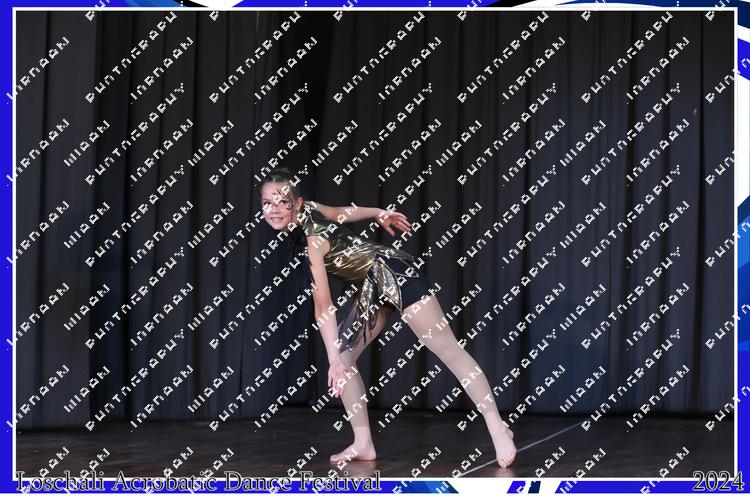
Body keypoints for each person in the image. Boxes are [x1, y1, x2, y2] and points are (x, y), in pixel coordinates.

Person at [258, 167, 516, 468]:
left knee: (447, 349)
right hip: (368, 289)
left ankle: (497, 427)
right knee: (345, 359)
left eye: (282, 202)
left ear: (297, 203)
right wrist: (377, 212)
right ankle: (363, 442)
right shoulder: (307, 215)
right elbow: (340, 213)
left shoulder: (311, 241)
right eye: (267, 203)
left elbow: (323, 307)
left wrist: (333, 359)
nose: (274, 210)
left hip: (394, 274)